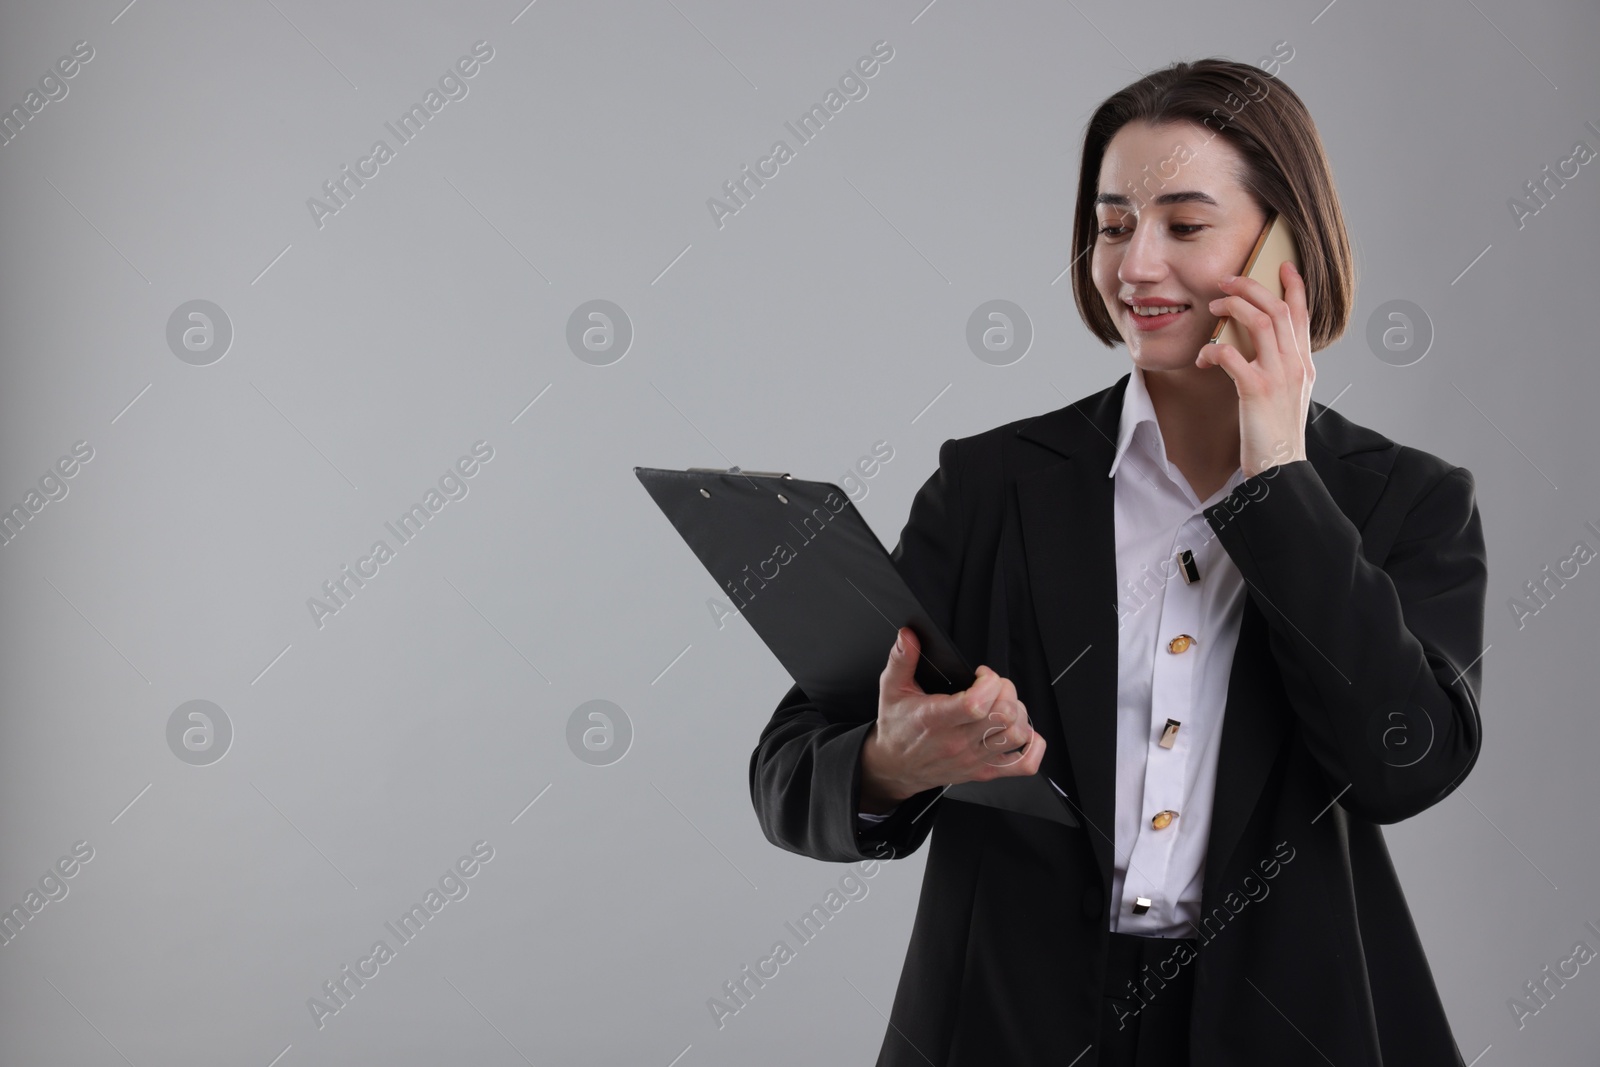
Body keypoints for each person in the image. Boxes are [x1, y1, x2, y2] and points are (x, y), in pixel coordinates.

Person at [748, 57, 1488, 1066]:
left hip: (1286, 1023)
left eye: (1184, 226)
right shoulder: (990, 486)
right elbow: (789, 765)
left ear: (1286, 246)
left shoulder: (1406, 497)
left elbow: (1405, 764)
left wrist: (1276, 478)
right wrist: (893, 761)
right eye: (1111, 226)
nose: (1135, 267)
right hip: (1012, 1022)